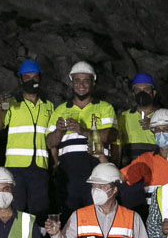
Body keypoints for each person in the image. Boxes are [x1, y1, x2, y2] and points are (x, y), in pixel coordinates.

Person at [50, 62, 118, 212]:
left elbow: (110, 135)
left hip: (97, 171)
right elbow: (49, 142)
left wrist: (83, 131)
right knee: (70, 217)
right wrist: (59, 131)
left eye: (86, 80)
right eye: (77, 80)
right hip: (69, 174)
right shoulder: (60, 109)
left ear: (93, 82)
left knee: (97, 214)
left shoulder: (104, 107)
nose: (81, 85)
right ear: (71, 83)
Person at [0, 59, 56, 216]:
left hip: (40, 166)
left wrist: (56, 159)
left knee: (40, 208)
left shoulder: (48, 105)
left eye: (35, 76)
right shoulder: (12, 103)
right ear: (20, 79)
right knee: (17, 208)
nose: (31, 80)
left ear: (40, 78)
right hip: (16, 167)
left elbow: (51, 137)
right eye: (27, 77)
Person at [118, 109, 168, 194]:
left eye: (166, 129)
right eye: (158, 130)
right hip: (151, 207)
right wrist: (101, 158)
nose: (161, 133)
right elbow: (121, 177)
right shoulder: (146, 160)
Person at [115, 72, 163, 165]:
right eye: (138, 90)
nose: (142, 93)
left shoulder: (165, 116)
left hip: (157, 168)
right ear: (133, 93)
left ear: (153, 93)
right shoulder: (124, 117)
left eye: (146, 89)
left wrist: (157, 127)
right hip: (131, 169)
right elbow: (117, 145)